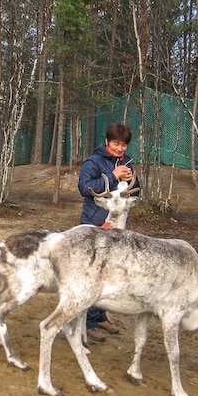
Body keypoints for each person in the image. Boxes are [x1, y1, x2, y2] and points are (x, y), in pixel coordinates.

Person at [77, 123, 140, 342]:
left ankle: (99, 315)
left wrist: (130, 182)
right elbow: (84, 187)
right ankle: (86, 322)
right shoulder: (94, 162)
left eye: (123, 144)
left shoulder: (128, 162)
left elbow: (136, 189)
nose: (120, 148)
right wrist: (112, 176)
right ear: (107, 142)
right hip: (95, 226)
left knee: (108, 275)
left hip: (117, 228)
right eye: (116, 143)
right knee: (92, 275)